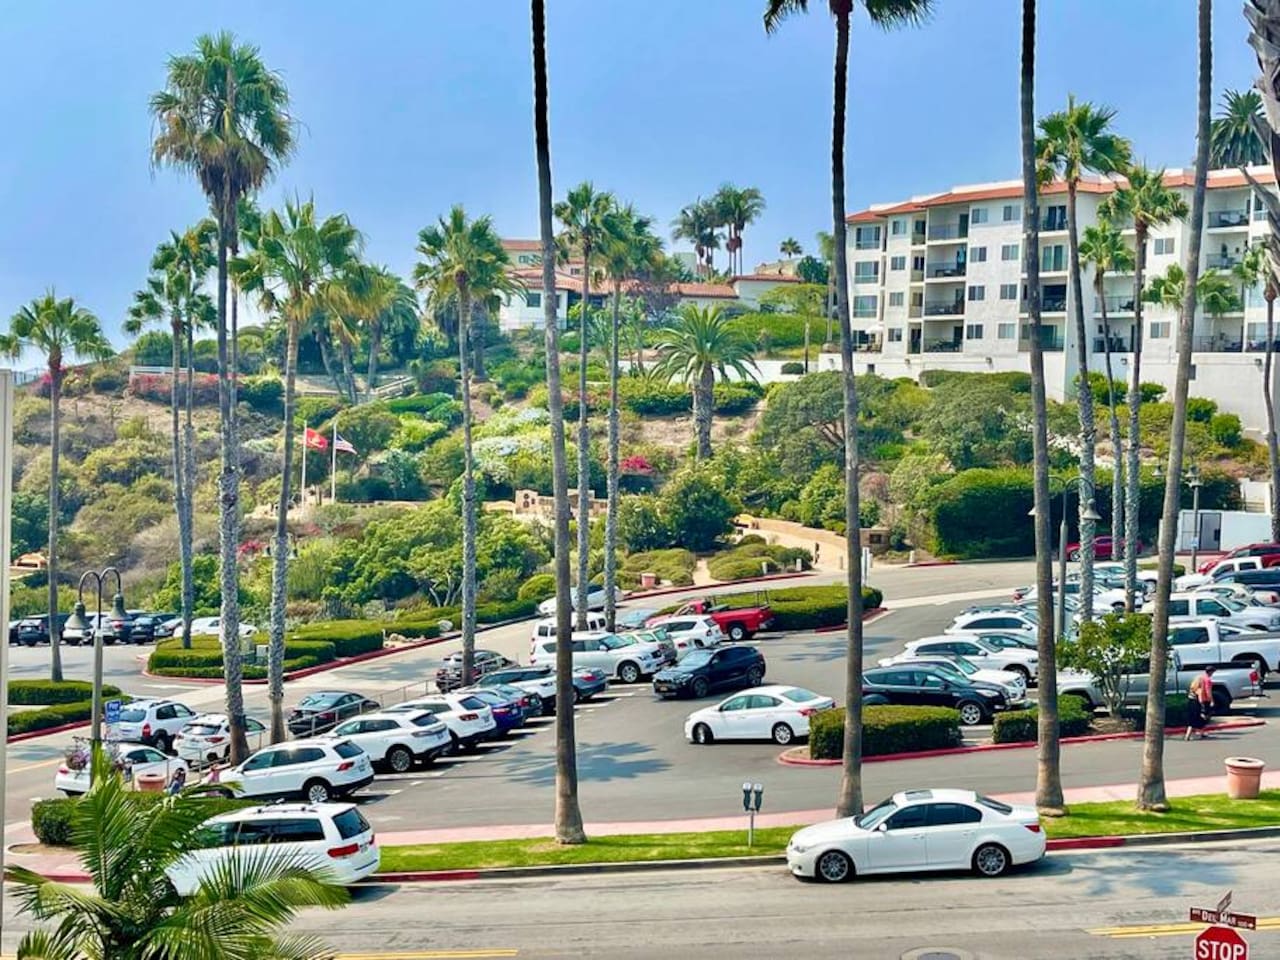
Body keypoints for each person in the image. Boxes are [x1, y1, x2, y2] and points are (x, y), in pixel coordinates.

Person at [1185, 666, 1216, 740]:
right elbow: (1208, 692)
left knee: (1194, 718)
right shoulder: (1207, 680)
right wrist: (1211, 701)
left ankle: (1200, 733)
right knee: (1203, 717)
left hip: (1191, 700)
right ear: (1211, 672)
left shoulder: (1199, 678)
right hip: (1200, 701)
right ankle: (1189, 735)